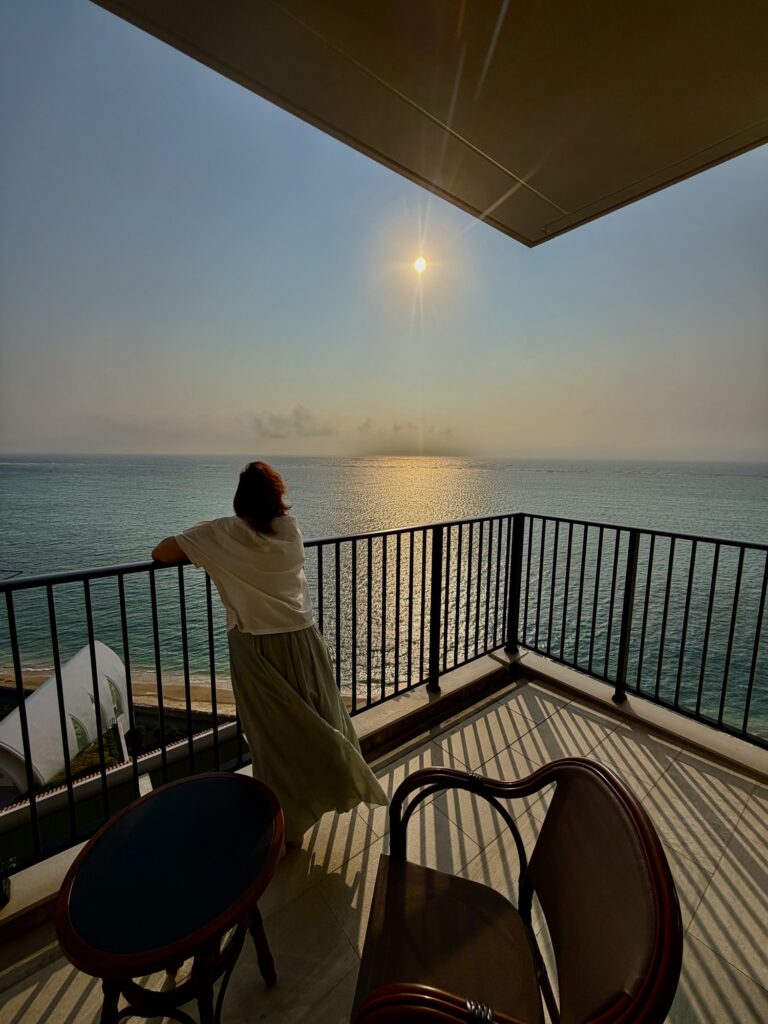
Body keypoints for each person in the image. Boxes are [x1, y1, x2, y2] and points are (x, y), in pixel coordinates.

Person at [151, 460, 387, 845]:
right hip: (305, 641)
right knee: (318, 721)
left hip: (259, 647)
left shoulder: (223, 533)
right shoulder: (291, 531)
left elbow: (161, 552)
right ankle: (332, 786)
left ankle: (285, 826)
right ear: (277, 499)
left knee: (272, 739)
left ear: (240, 500)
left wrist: (205, 529)